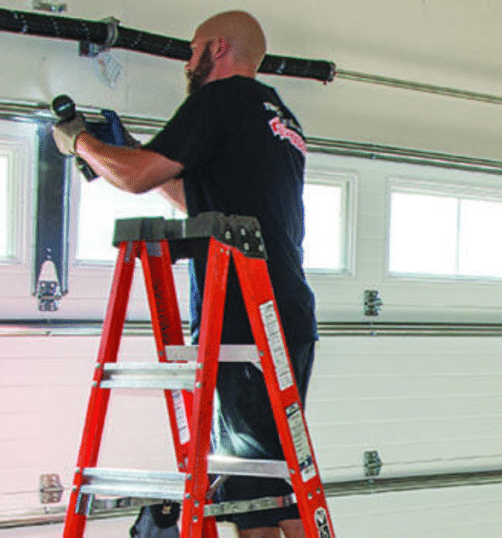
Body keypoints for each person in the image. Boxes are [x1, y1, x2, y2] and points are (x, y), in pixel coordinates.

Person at [51, 11, 317, 538]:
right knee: (271, 479)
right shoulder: (277, 115)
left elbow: (134, 177)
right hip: (284, 308)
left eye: (192, 50)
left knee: (250, 485)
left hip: (242, 311)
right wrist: (133, 157)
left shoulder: (217, 100)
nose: (187, 63)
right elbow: (191, 196)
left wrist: (81, 143)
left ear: (216, 49)